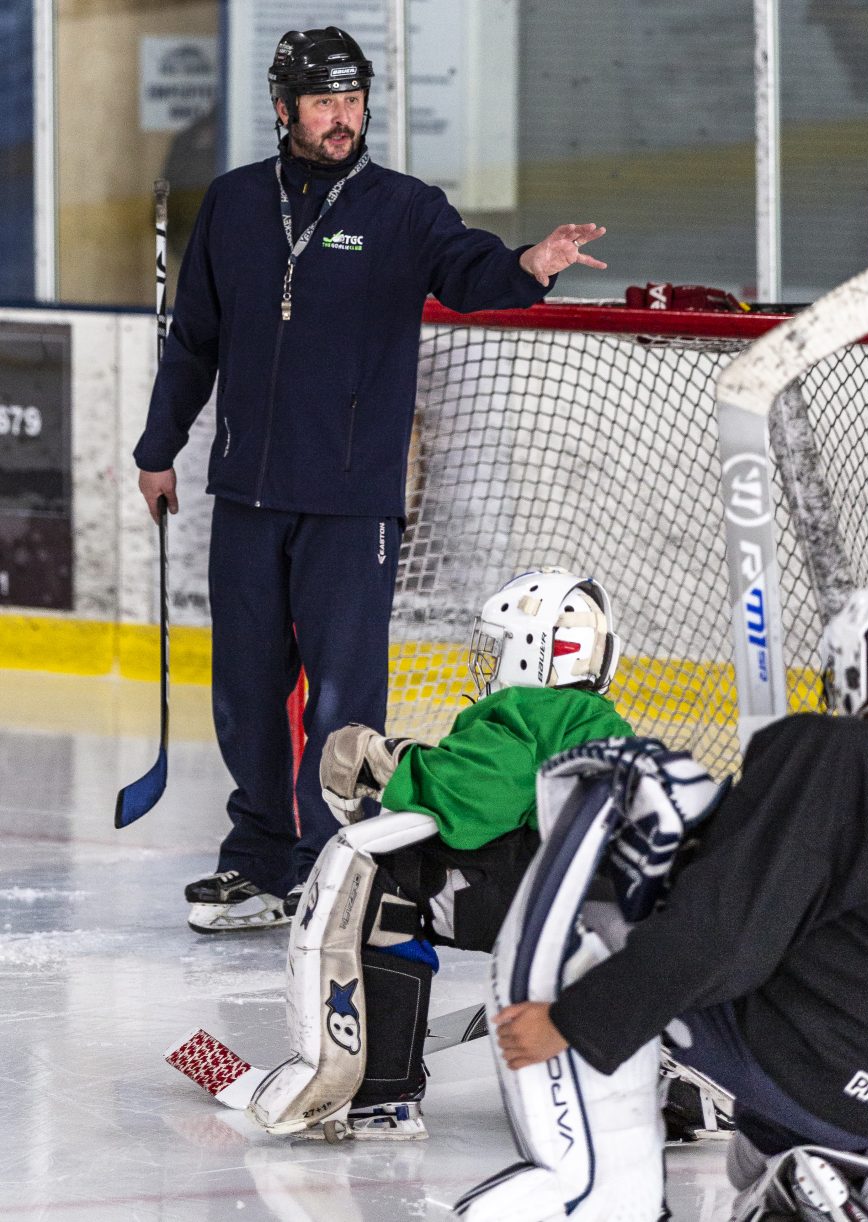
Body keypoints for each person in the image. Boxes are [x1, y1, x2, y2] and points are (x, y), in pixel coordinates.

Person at [131, 26, 610, 934]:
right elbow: (194, 340)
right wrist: (159, 449)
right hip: (248, 495)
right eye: (324, 102)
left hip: (352, 506)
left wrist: (529, 266)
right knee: (245, 692)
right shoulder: (234, 205)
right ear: (285, 109)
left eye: (352, 100)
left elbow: (470, 271)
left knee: (344, 700)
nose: (342, 117)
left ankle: (329, 866)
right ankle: (258, 858)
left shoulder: (402, 209)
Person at [492, 577, 868, 1216]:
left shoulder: (829, 752)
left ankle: (604, 1190)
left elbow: (723, 933)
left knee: (610, 901)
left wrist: (573, 1023)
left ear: (850, 664)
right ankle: (823, 1178)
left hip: (823, 1079)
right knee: (748, 1157)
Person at [246, 567, 634, 1139]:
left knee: (382, 881)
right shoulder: (601, 723)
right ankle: (661, 1085)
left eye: (499, 644)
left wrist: (383, 759)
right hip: (624, 926)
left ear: (535, 650)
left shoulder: (530, 710)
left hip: (564, 915)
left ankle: (384, 1092)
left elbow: (474, 798)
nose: (488, 659)